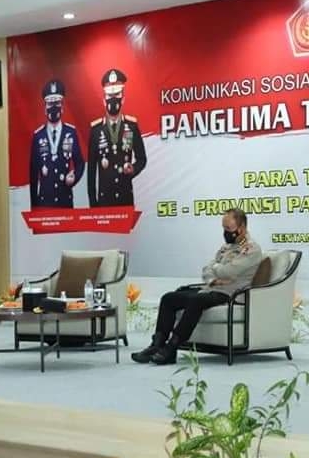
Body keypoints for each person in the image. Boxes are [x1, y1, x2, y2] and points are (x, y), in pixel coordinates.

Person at [132, 208, 262, 365]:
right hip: (211, 288)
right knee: (169, 298)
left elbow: (228, 271)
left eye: (228, 228)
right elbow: (206, 270)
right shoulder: (226, 247)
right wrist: (214, 278)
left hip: (230, 294)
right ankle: (156, 345)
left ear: (241, 228)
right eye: (223, 228)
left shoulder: (251, 249)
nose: (225, 232)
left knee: (196, 300)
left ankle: (172, 347)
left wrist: (217, 268)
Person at [87, 68, 147, 207]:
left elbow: (142, 159)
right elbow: (91, 170)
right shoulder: (96, 130)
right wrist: (93, 204)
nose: (113, 99)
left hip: (125, 196)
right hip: (104, 199)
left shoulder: (131, 126)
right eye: (110, 96)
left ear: (123, 99)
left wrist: (133, 169)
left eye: (117, 95)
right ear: (104, 101)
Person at [30, 79, 85, 207]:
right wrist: (34, 207)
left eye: (57, 103)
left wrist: (74, 177)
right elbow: (33, 174)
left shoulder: (70, 132)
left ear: (62, 106)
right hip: (45, 203)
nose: (53, 107)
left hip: (65, 200)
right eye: (50, 103)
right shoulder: (38, 136)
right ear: (45, 108)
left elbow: (80, 163)